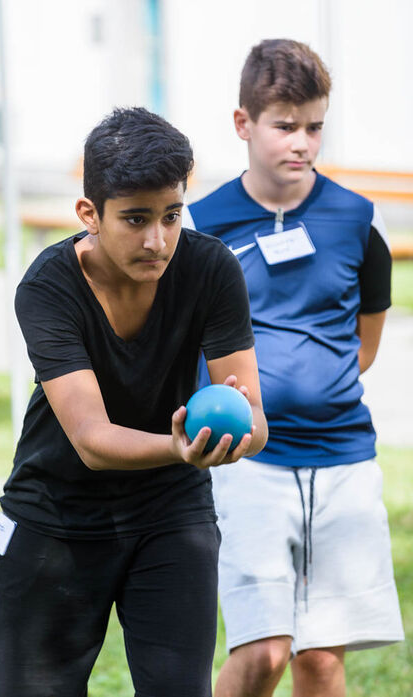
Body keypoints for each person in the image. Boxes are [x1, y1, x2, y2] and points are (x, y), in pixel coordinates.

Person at [0, 107, 268, 697]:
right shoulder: (47, 288)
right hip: (54, 518)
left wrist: (238, 436)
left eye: (172, 215)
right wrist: (177, 445)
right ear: (89, 214)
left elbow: (255, 419)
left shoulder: (211, 269)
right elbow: (91, 439)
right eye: (136, 219)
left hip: (171, 511)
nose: (157, 239)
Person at [184, 39, 404, 697]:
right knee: (263, 651)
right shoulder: (201, 226)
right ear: (243, 124)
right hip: (247, 462)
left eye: (314, 125)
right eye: (285, 125)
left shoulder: (358, 219)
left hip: (344, 461)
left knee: (320, 660)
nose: (302, 141)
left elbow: (366, 341)